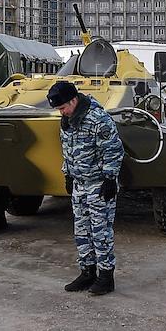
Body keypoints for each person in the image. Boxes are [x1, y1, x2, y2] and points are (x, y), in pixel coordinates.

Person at [48, 80, 124, 295]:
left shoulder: (98, 118)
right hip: (80, 185)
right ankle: (87, 272)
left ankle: (106, 277)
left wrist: (110, 179)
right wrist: (68, 174)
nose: (61, 112)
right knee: (82, 231)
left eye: (63, 107)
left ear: (73, 100)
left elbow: (114, 150)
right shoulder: (68, 119)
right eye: (59, 109)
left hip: (98, 185)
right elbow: (67, 149)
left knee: (101, 232)